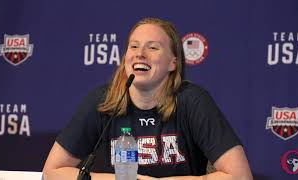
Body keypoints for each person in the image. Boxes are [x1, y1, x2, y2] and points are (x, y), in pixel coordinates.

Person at [43, 17, 253, 180]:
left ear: (173, 62)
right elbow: (52, 172)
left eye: (152, 47)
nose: (140, 54)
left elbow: (241, 176)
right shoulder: (103, 101)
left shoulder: (193, 101)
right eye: (133, 46)